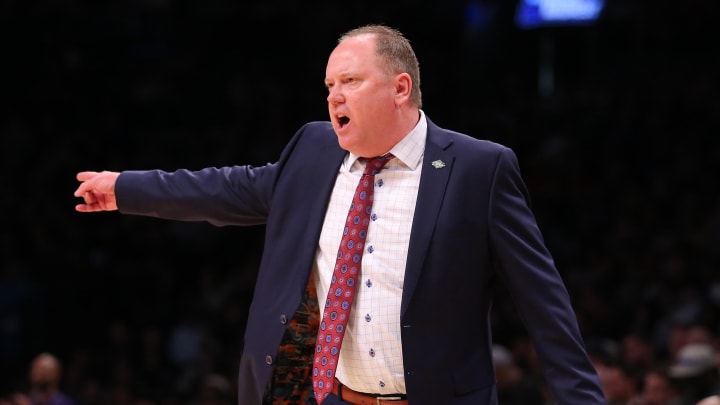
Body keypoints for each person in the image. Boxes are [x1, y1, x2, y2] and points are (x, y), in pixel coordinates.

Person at [73, 24, 605, 405]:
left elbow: (545, 306)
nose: (333, 97)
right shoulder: (313, 149)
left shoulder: (479, 168)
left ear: (400, 88)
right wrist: (125, 188)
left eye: (349, 82)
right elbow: (229, 188)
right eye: (329, 86)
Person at [11, 352, 76, 405]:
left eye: (42, 369)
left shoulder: (64, 402)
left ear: (56, 374)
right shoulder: (23, 398)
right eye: (34, 367)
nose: (36, 372)